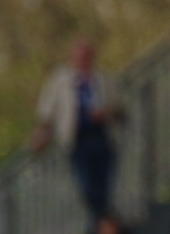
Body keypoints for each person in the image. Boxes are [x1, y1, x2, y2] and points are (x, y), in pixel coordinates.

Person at [31, 38, 122, 219]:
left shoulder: (103, 80)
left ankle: (103, 226)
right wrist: (42, 133)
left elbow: (121, 109)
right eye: (79, 57)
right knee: (86, 187)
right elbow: (48, 111)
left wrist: (106, 113)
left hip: (102, 139)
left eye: (86, 57)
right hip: (78, 142)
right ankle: (104, 224)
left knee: (103, 186)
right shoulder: (61, 80)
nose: (82, 61)